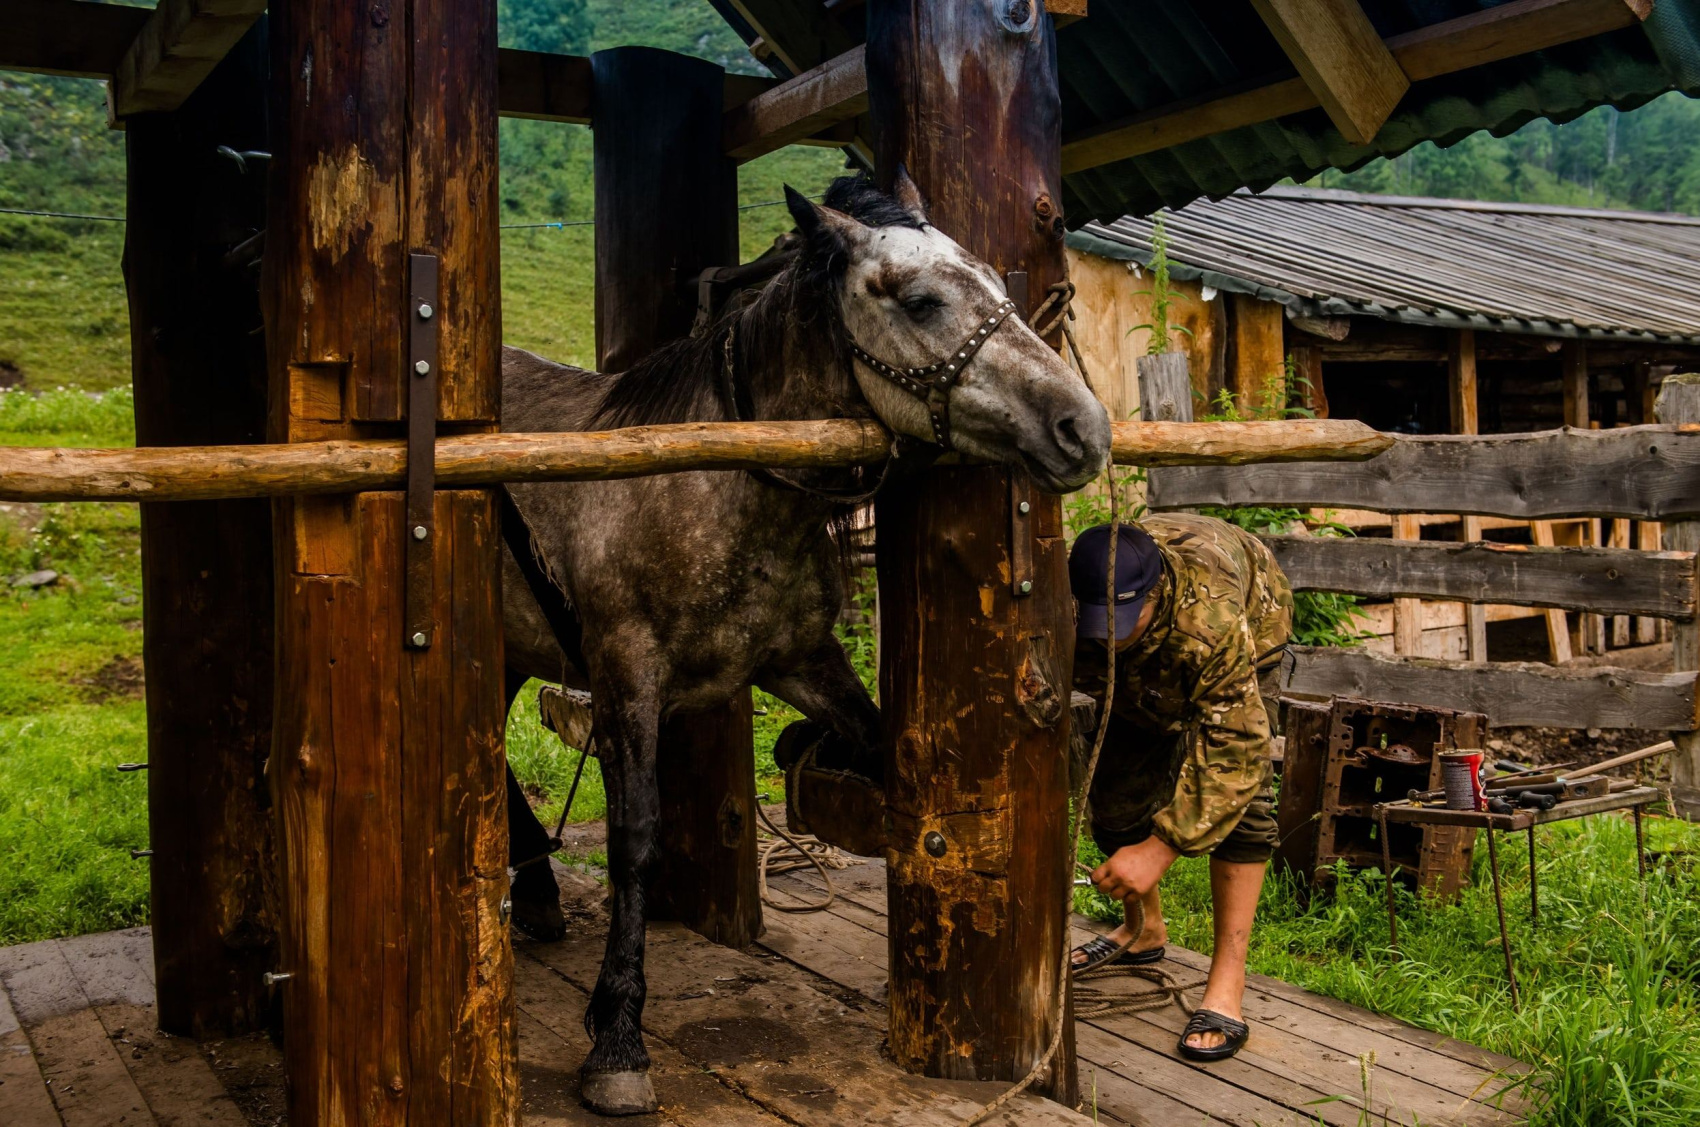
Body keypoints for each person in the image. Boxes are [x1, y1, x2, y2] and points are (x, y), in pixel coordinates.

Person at [1069, 514, 1292, 1063]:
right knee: (1116, 796)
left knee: (1245, 811)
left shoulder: (1211, 622)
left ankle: (1227, 985)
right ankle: (1143, 931)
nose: (1109, 635)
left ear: (1157, 593)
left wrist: (1161, 848)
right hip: (1153, 649)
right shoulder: (1072, 594)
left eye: (1124, 620)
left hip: (1251, 615)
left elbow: (1237, 753)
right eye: (1099, 622)